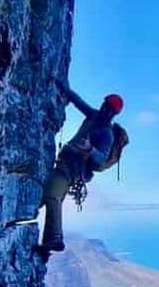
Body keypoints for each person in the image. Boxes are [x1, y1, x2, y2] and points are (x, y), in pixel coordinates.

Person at [39, 83, 129, 253]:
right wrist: (64, 88)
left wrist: (89, 149)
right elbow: (79, 102)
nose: (104, 109)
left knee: (52, 196)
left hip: (73, 169)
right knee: (47, 194)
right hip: (67, 163)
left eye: (108, 109)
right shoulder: (94, 115)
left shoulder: (106, 133)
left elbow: (101, 158)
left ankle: (54, 239)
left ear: (113, 114)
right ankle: (47, 245)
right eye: (104, 105)